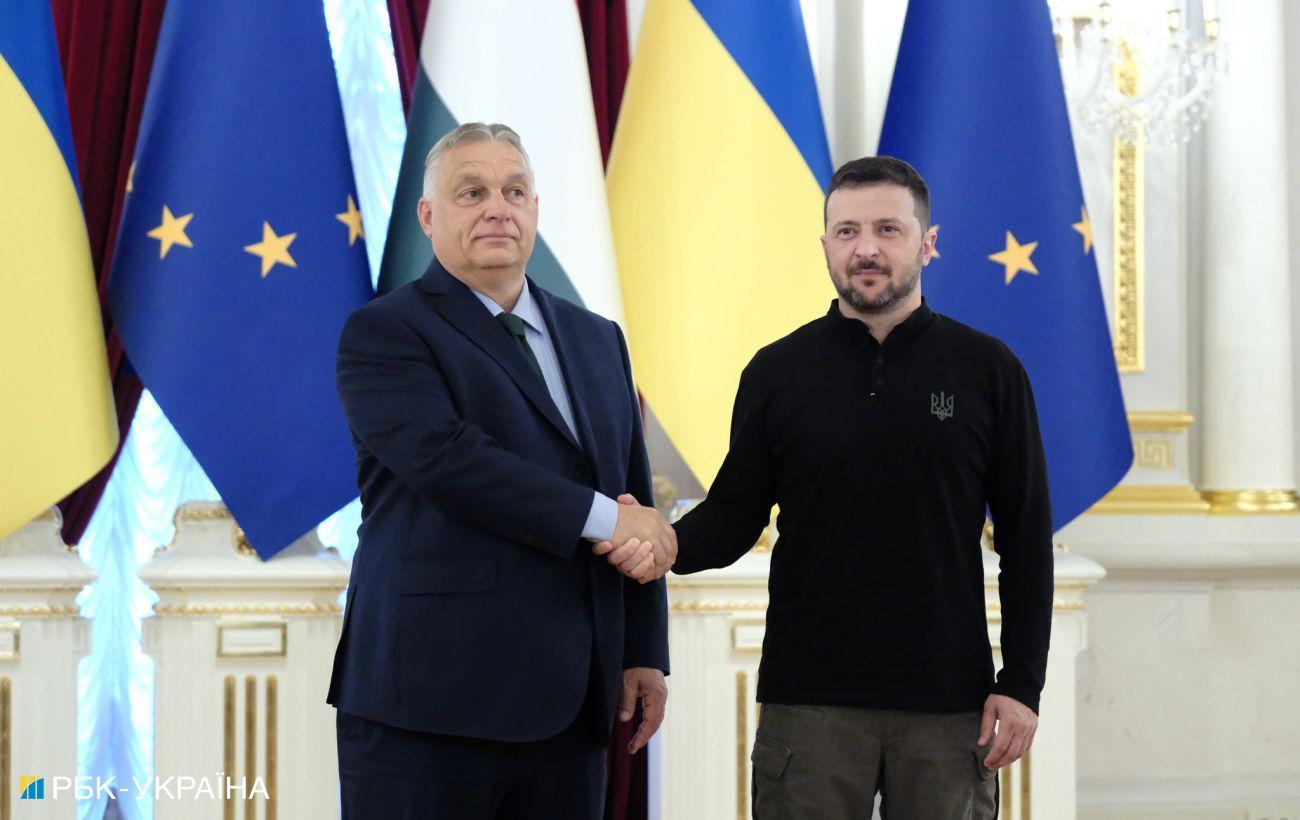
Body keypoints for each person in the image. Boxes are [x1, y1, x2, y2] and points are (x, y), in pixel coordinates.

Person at [599, 156, 1054, 818]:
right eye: (847, 231)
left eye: (888, 229)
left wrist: (1022, 685)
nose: (866, 249)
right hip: (807, 704)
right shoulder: (777, 372)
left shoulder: (989, 370)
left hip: (950, 705)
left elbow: (1027, 539)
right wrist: (658, 541)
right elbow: (733, 515)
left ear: (927, 243)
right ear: (825, 245)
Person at [329, 122, 675, 820]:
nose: (498, 208)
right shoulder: (385, 331)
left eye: (515, 192)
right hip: (430, 704)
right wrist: (609, 522)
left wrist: (643, 649)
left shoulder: (598, 338)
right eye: (472, 192)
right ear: (428, 215)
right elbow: (450, 462)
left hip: (573, 705)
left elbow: (631, 490)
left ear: (536, 211)